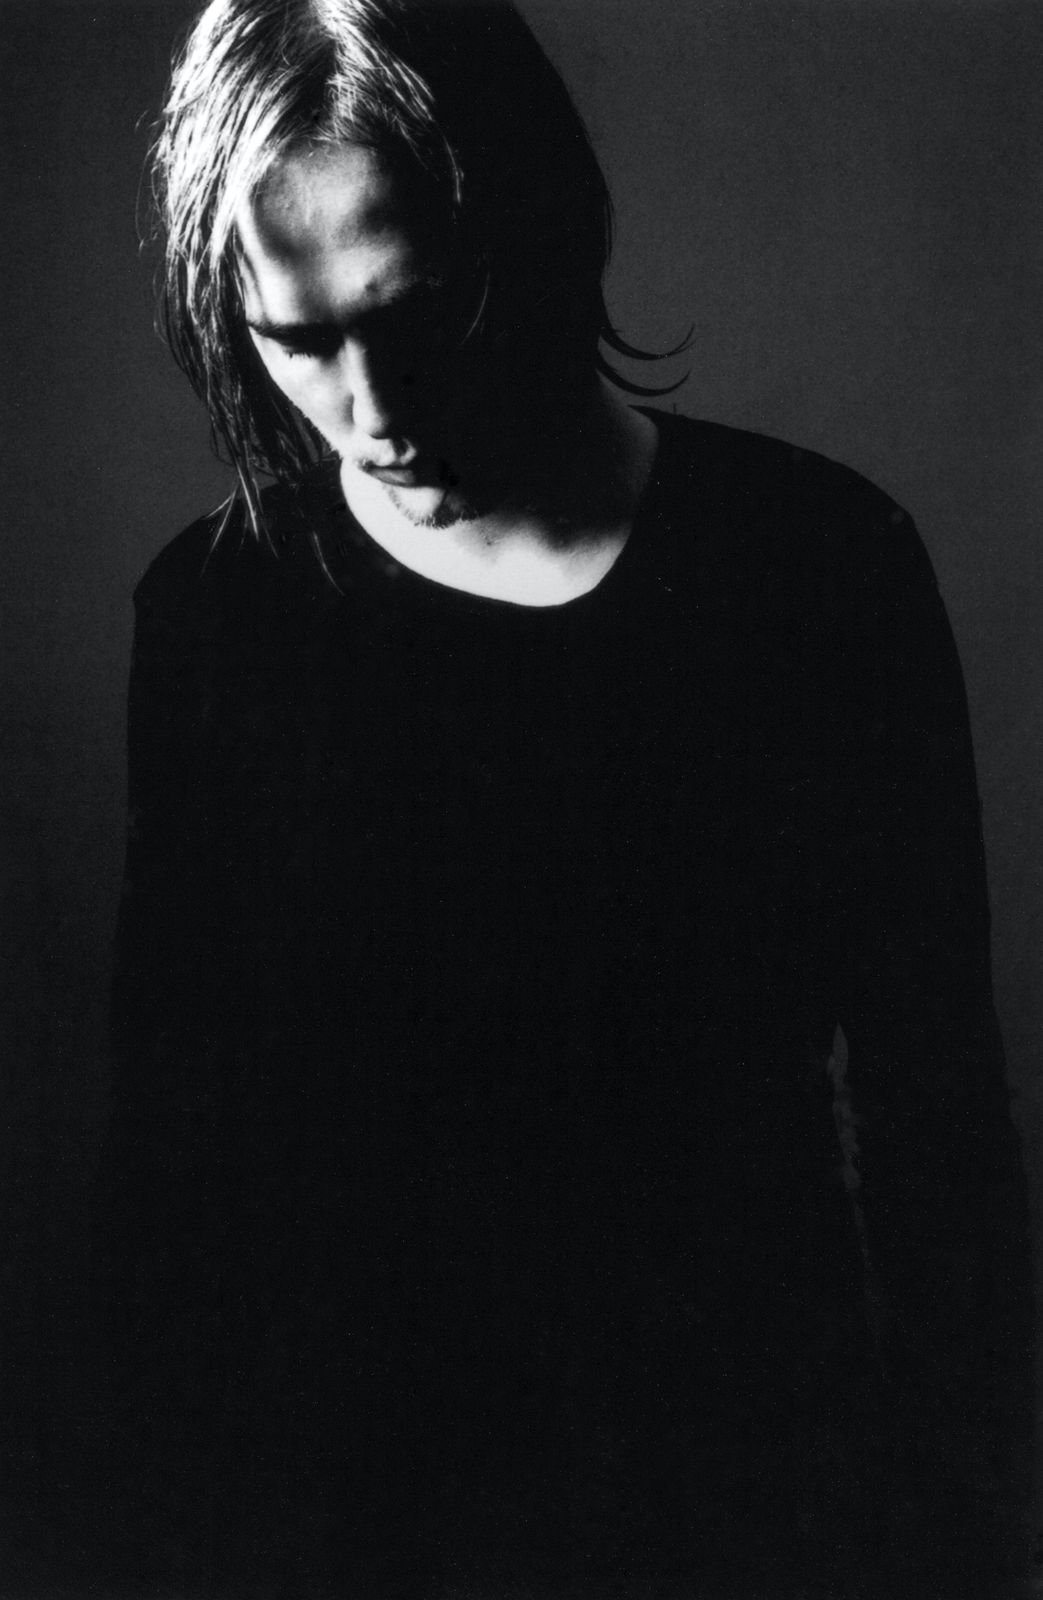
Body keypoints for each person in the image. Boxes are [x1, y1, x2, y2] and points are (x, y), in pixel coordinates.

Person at [91, 1, 1033, 1595]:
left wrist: (971, 1533)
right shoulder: (217, 616)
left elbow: (936, 1115)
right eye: (298, 341)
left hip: (758, 1504)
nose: (375, 409)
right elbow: (172, 1163)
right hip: (350, 1516)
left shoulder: (818, 566)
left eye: (420, 311)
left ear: (528, 230)